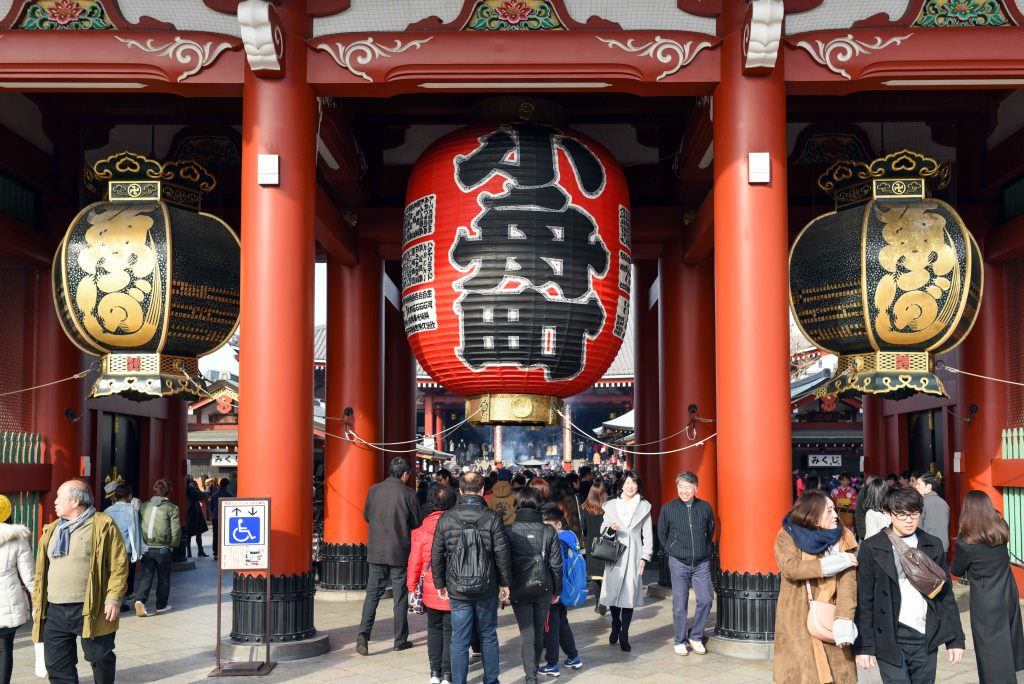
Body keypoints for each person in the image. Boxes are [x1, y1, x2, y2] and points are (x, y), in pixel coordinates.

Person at [854, 487, 965, 683]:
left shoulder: (933, 544)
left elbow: (945, 595)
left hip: (925, 637)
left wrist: (955, 639)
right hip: (889, 637)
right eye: (902, 514)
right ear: (888, 513)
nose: (909, 520)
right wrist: (864, 646)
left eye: (914, 514)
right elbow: (865, 599)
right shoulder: (872, 547)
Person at [33, 480, 127, 684]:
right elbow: (41, 572)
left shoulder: (103, 525)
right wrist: (37, 603)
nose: (55, 501)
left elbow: (119, 564)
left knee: (100, 658)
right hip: (55, 609)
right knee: (57, 665)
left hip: (91, 606)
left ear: (75, 501)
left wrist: (113, 598)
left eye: (59, 497)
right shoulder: (51, 530)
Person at [431, 471, 511, 684]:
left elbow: (437, 552)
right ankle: (491, 680)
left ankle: (459, 681)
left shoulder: (446, 518)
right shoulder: (492, 518)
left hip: (457, 586)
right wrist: (504, 583)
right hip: (487, 586)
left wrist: (440, 582)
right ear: (483, 489)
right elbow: (501, 553)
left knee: (459, 639)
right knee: (488, 635)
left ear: (460, 490)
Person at [773, 490, 859, 684]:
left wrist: (844, 619)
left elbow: (848, 584)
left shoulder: (844, 536)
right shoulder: (788, 534)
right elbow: (791, 568)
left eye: (834, 509)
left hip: (832, 616)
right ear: (812, 513)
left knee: (838, 674)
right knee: (801, 673)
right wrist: (835, 563)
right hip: (797, 616)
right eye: (829, 511)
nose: (836, 516)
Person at [949, 490, 1024, 683]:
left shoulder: (967, 542)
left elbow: (957, 569)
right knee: (1008, 640)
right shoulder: (1000, 530)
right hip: (1007, 592)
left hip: (985, 599)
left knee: (989, 649)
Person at [357, 457, 421, 656]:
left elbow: (366, 515)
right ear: (404, 474)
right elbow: (417, 521)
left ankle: (363, 637)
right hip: (399, 551)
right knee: (400, 597)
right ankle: (399, 640)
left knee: (372, 595)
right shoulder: (409, 494)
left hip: (376, 550)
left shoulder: (374, 490)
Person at [506, 488, 562, 684]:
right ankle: (534, 670)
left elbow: (504, 562)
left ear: (518, 504)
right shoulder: (548, 531)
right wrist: (557, 589)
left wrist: (504, 586)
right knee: (538, 632)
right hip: (543, 586)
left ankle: (531, 676)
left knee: (526, 632)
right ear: (539, 504)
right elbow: (556, 564)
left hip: (518, 587)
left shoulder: (509, 530)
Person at [658, 471, 715, 656]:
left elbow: (710, 530)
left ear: (696, 488)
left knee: (706, 599)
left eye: (688, 487)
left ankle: (696, 635)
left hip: (701, 562)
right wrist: (671, 549)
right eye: (680, 486)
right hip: (678, 561)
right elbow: (662, 533)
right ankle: (679, 640)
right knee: (679, 603)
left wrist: (702, 550)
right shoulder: (668, 508)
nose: (684, 491)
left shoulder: (705, 507)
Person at [408, 484, 457, 684]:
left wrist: (411, 588)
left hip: (429, 587)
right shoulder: (456, 525)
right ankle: (448, 674)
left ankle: (434, 673)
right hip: (452, 586)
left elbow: (414, 561)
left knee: (434, 630)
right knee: (450, 631)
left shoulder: (420, 530)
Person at [599, 471, 652, 652]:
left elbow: (648, 535)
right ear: (621, 485)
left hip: (635, 553)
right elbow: (602, 530)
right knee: (613, 593)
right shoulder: (612, 506)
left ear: (638, 486)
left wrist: (646, 556)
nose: (630, 486)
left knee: (629, 596)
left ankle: (625, 634)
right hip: (615, 553)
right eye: (627, 482)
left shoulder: (644, 506)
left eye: (634, 483)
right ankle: (615, 623)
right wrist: (611, 529)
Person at [540, 504, 582, 676]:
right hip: (565, 589)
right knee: (562, 623)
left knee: (550, 627)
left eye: (549, 524)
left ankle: (552, 664)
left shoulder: (556, 541)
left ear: (558, 524)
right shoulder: (570, 536)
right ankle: (573, 657)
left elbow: (557, 567)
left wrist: (553, 591)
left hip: (554, 591)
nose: (546, 528)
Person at [132, 478, 181, 617]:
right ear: (169, 491)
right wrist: (173, 544)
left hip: (146, 546)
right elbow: (175, 529)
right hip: (163, 548)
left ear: (155, 489)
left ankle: (140, 600)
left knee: (146, 575)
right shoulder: (172, 508)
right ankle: (161, 605)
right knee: (163, 577)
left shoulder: (144, 506)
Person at [0, 495, 33, 684]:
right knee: (5, 648)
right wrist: (38, 602)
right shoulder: (17, 538)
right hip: (8, 600)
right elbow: (29, 575)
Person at [104, 485, 144, 610]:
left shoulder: (107, 511)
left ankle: (110, 599)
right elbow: (135, 530)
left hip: (110, 548)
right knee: (123, 576)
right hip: (125, 547)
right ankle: (120, 602)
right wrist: (137, 550)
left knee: (111, 574)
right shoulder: (131, 510)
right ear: (129, 496)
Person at [579, 480, 609, 615]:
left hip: (592, 546)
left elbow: (583, 528)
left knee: (596, 577)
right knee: (606, 575)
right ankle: (605, 601)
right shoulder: (608, 507)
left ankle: (598, 602)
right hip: (606, 544)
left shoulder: (585, 508)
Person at [912, 471, 949, 552]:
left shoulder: (922, 504)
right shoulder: (944, 503)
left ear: (928, 486)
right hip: (943, 547)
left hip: (927, 547)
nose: (916, 487)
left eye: (919, 484)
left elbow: (918, 527)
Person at [183, 477, 208, 558]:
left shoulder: (186, 486)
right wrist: (207, 493)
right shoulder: (191, 486)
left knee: (189, 534)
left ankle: (190, 552)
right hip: (193, 511)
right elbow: (199, 495)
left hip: (188, 511)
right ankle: (200, 551)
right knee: (197, 532)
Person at [210, 477, 230, 560]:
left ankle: (216, 553)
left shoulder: (214, 495)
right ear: (227, 485)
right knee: (226, 535)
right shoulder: (230, 495)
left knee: (216, 536)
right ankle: (226, 553)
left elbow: (211, 508)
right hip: (226, 518)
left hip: (215, 518)